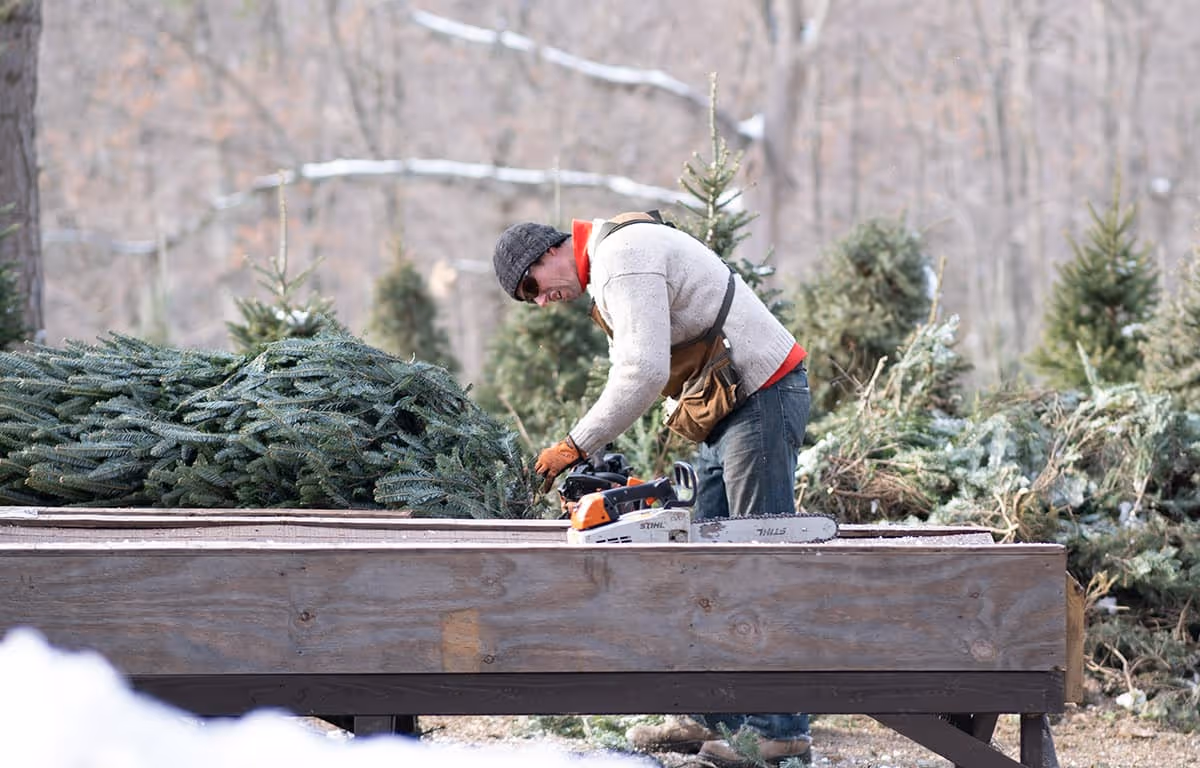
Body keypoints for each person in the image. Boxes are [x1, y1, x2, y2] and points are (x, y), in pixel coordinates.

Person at [491, 214, 813, 768]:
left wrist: (576, 444)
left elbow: (641, 371)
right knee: (705, 565)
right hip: (729, 411)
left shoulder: (623, 259)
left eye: (532, 288)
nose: (542, 301)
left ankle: (779, 731)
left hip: (761, 396)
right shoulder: (610, 270)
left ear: (547, 253)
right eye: (529, 299)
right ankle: (715, 715)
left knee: (756, 563)